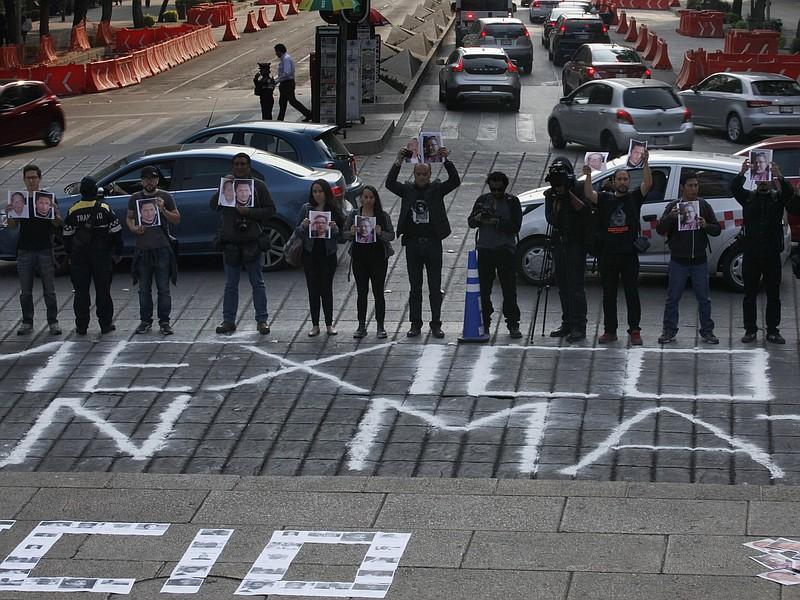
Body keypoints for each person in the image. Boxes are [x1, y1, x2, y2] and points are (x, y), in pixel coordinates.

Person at [386, 145, 461, 338]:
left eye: (424, 174)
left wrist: (446, 160)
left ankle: (436, 324)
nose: (421, 177)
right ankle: (415, 323)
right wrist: (398, 161)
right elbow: (389, 184)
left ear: (429, 175)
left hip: (433, 242)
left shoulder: (436, 189)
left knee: (435, 287)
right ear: (414, 174)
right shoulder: (407, 190)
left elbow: (454, 181)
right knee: (415, 287)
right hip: (412, 243)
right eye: (418, 174)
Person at [583, 150, 653, 345]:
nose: (623, 182)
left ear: (629, 182)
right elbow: (589, 194)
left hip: (629, 255)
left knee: (632, 294)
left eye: (625, 179)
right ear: (613, 182)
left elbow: (648, 184)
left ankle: (635, 330)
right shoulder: (605, 199)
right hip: (608, 255)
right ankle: (610, 331)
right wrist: (588, 175)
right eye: (619, 179)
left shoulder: (634, 198)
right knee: (609, 295)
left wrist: (645, 163)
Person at [732, 158, 800, 344]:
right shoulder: (748, 197)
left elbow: (789, 195)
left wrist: (780, 176)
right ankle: (750, 330)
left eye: (766, 180)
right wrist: (742, 173)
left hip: (771, 254)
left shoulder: (777, 198)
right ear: (756, 181)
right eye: (760, 180)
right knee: (749, 295)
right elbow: (734, 189)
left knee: (773, 295)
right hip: (752, 253)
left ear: (770, 181)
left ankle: (772, 330)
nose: (763, 183)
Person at [210, 153, 276, 335]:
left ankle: (262, 320)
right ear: (232, 166)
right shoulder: (226, 185)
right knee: (231, 284)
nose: (239, 167)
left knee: (257, 283)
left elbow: (271, 210)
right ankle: (228, 320)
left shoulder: (258, 186)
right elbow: (213, 205)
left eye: (243, 164)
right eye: (236, 164)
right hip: (230, 242)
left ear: (249, 166)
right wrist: (223, 188)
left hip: (252, 241)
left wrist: (249, 212)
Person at [655, 171, 722, 344]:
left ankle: (707, 330)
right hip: (679, 260)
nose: (694, 189)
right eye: (690, 186)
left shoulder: (704, 205)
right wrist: (671, 218)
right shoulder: (674, 207)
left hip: (699, 259)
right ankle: (669, 330)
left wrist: (705, 225)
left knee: (704, 298)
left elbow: (716, 229)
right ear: (682, 188)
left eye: (696, 185)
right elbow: (660, 229)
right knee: (673, 297)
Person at [62, 177, 123, 336]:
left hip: (80, 258)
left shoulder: (73, 210)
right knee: (103, 291)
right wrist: (118, 252)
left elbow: (67, 235)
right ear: (96, 191)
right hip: (101, 256)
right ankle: (105, 324)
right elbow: (117, 232)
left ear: (81, 191)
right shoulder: (104, 208)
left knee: (81, 292)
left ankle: (81, 326)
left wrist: (70, 255)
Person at [6, 165, 61, 335]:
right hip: (25, 249)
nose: (31, 180)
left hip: (44, 248)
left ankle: (53, 322)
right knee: (25, 291)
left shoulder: (46, 198)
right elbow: (12, 227)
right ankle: (27, 321)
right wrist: (10, 214)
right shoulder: (19, 199)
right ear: (24, 180)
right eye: (28, 178)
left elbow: (58, 223)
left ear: (39, 178)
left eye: (34, 177)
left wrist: (55, 212)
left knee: (49, 290)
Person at [467, 171, 523, 338]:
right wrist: (479, 218)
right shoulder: (482, 200)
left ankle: (513, 323)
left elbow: (516, 226)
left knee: (509, 290)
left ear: (505, 188)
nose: (496, 193)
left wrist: (497, 222)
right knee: (484, 290)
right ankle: (485, 322)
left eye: (499, 190)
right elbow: (470, 222)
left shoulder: (512, 202)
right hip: (485, 250)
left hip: (505, 251)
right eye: (493, 189)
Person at [127, 166, 180, 336]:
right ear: (142, 181)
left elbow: (177, 219)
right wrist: (135, 228)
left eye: (153, 178)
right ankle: (145, 321)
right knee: (143, 289)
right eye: (146, 179)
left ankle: (165, 321)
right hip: (143, 249)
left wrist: (163, 209)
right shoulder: (135, 198)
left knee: (163, 288)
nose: (150, 181)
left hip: (162, 248)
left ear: (157, 180)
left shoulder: (165, 196)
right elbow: (129, 217)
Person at [545, 158, 591, 343]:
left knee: (576, 287)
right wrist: (557, 196)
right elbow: (550, 219)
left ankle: (579, 326)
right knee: (563, 286)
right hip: (559, 242)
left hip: (576, 243)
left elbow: (585, 210)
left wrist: (567, 193)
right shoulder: (550, 194)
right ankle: (567, 323)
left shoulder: (578, 188)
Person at [344, 185, 395, 339]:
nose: (368, 200)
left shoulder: (382, 216)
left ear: (375, 199)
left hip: (378, 257)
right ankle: (361, 325)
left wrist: (381, 233)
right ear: (361, 199)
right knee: (361, 292)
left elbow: (392, 235)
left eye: (371, 197)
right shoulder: (354, 215)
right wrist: (351, 232)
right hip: (360, 257)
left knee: (378, 292)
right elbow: (344, 234)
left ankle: (380, 325)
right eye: (365, 197)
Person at [295, 179, 345, 336]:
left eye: (320, 191)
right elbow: (297, 232)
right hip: (310, 254)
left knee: (326, 289)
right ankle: (315, 324)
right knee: (313, 290)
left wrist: (335, 229)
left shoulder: (333, 209)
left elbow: (343, 237)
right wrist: (304, 226)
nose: (317, 195)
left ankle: (329, 323)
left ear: (326, 193)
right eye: (314, 191)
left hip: (327, 254)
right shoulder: (306, 209)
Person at [274, 43, 312, 122]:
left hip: (287, 84)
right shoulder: (284, 59)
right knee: (283, 102)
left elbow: (287, 73)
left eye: (276, 51)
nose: (276, 54)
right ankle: (280, 120)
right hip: (285, 84)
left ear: (279, 51)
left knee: (292, 101)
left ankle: (308, 114)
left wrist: (277, 80)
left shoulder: (286, 59)